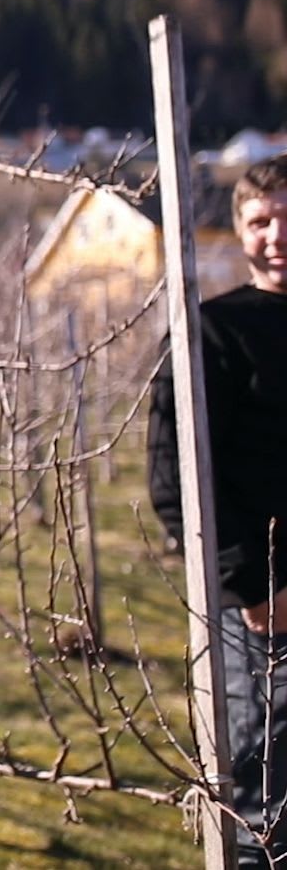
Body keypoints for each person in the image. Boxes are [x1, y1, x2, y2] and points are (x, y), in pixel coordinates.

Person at [150, 152, 287, 867]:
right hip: (267, 618)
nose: (275, 235)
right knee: (267, 806)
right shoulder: (212, 334)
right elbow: (177, 481)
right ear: (238, 231)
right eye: (260, 221)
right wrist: (256, 595)